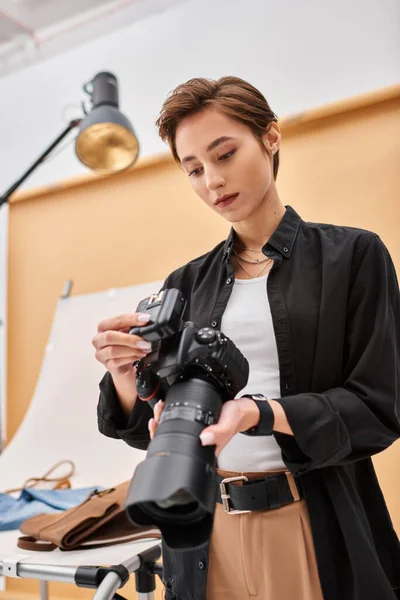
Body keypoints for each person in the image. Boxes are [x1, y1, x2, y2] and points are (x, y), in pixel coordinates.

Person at [93, 76, 400, 600]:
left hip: (310, 519)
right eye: (193, 169)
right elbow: (157, 431)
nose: (212, 180)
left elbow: (378, 406)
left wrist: (260, 413)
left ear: (271, 138)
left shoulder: (352, 258)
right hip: (205, 531)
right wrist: (126, 380)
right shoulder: (185, 284)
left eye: (225, 154)